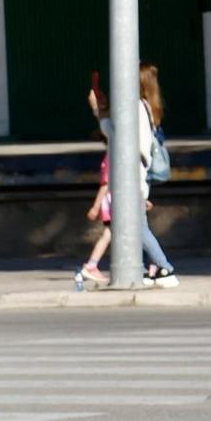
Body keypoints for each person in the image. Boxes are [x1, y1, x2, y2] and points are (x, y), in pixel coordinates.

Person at [77, 67, 178, 288]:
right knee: (135, 225)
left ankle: (164, 267)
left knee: (135, 226)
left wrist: (97, 110)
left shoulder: (135, 107)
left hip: (130, 175)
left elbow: (115, 135)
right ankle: (145, 269)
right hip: (135, 174)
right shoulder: (145, 107)